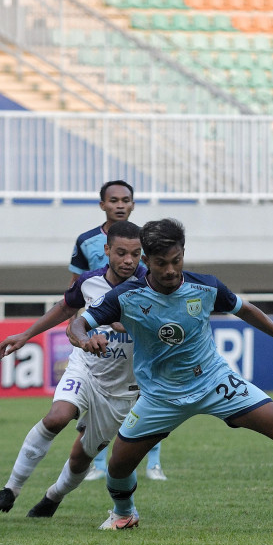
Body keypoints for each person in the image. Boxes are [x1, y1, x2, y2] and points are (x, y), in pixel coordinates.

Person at [69, 218, 273, 529]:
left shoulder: (205, 286)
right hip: (161, 396)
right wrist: (84, 339)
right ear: (146, 261)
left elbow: (246, 310)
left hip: (214, 382)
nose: (170, 270)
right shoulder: (125, 296)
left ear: (183, 254)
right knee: (119, 465)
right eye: (161, 263)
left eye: (176, 261)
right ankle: (124, 514)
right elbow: (79, 322)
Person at [0, 221, 146, 517]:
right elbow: (65, 310)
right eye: (121, 253)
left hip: (123, 389)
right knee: (57, 417)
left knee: (80, 455)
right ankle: (10, 489)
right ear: (107, 250)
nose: (128, 260)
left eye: (135, 254)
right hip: (85, 368)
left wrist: (119, 324)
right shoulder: (88, 282)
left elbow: (150, 327)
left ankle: (53, 497)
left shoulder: (150, 286)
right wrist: (25, 335)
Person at [68, 179, 166, 481]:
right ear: (103, 205)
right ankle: (97, 465)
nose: (120, 205)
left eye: (126, 200)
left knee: (147, 395)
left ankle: (153, 463)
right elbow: (74, 289)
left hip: (136, 328)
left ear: (133, 204)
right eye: (114, 200)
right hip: (101, 332)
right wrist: (78, 325)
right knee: (103, 396)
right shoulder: (86, 240)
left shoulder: (145, 240)